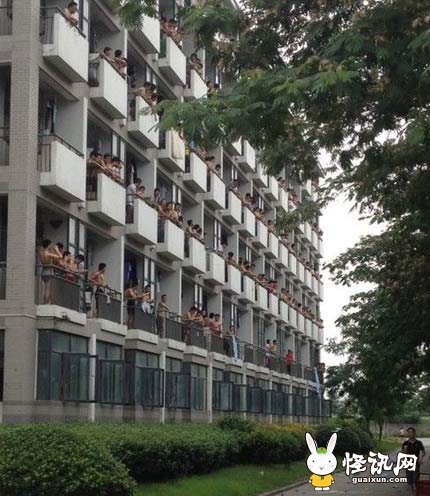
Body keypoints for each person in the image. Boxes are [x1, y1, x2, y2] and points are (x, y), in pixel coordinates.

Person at [402, 427, 426, 496]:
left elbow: (423, 452)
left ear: (414, 433)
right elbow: (403, 454)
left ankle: (415, 491)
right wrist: (404, 450)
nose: (410, 434)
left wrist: (421, 457)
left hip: (416, 463)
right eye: (409, 432)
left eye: (411, 432)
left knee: (415, 478)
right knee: (409, 479)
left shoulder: (419, 442)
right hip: (408, 463)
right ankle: (412, 488)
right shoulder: (405, 443)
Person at [39, 239, 63, 304]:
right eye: (50, 245)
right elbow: (60, 257)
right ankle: (45, 304)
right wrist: (57, 250)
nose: (51, 246)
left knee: (46, 288)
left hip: (43, 271)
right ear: (48, 245)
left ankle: (45, 303)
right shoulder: (48, 254)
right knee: (48, 289)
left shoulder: (41, 253)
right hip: (49, 272)